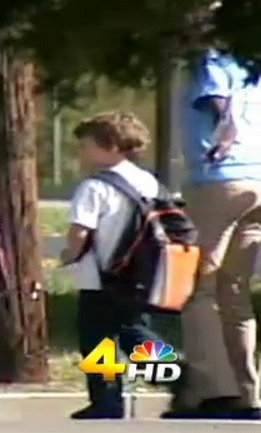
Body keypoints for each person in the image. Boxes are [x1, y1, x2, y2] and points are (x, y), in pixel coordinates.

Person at [164, 49, 261, 419]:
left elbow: (218, 100)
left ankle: (212, 391)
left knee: (197, 286)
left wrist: (226, 129)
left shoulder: (211, 59)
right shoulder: (252, 60)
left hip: (219, 180)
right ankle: (247, 391)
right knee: (234, 292)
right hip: (257, 180)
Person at [60, 112, 164, 419]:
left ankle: (107, 400)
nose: (83, 152)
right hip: (138, 276)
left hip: (99, 277)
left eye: (87, 145)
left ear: (111, 145)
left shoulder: (94, 187)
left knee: (98, 341)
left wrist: (68, 255)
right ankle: (174, 378)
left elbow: (80, 231)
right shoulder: (149, 181)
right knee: (135, 330)